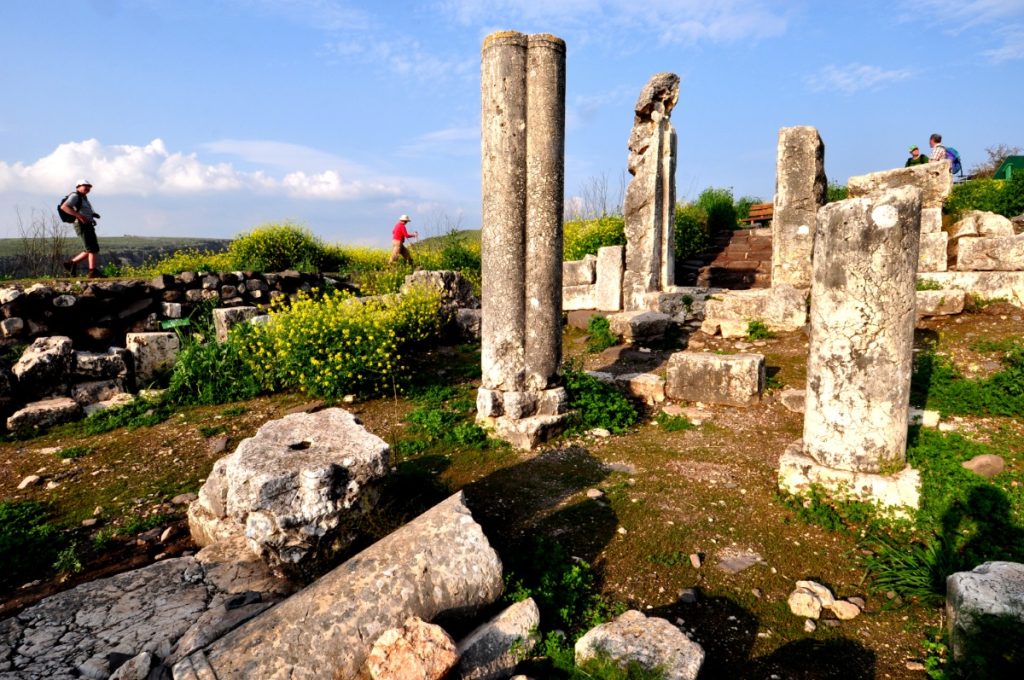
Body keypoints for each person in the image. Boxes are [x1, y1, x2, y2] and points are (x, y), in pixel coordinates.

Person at [61, 179, 102, 277]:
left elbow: (83, 211)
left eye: (89, 186)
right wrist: (79, 216)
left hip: (87, 224)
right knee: (91, 249)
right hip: (81, 224)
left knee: (92, 248)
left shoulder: (84, 198)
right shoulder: (75, 196)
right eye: (85, 186)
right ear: (78, 186)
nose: (87, 188)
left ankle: (71, 264)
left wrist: (91, 218)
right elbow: (64, 207)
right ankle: (92, 272)